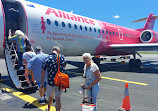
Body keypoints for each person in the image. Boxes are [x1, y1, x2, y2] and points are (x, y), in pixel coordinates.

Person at [41, 46, 66, 111]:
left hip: (51, 82)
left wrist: (41, 82)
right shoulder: (62, 57)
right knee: (58, 99)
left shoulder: (48, 58)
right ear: (58, 51)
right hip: (60, 82)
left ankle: (48, 109)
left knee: (50, 97)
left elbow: (43, 70)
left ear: (52, 51)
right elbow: (64, 66)